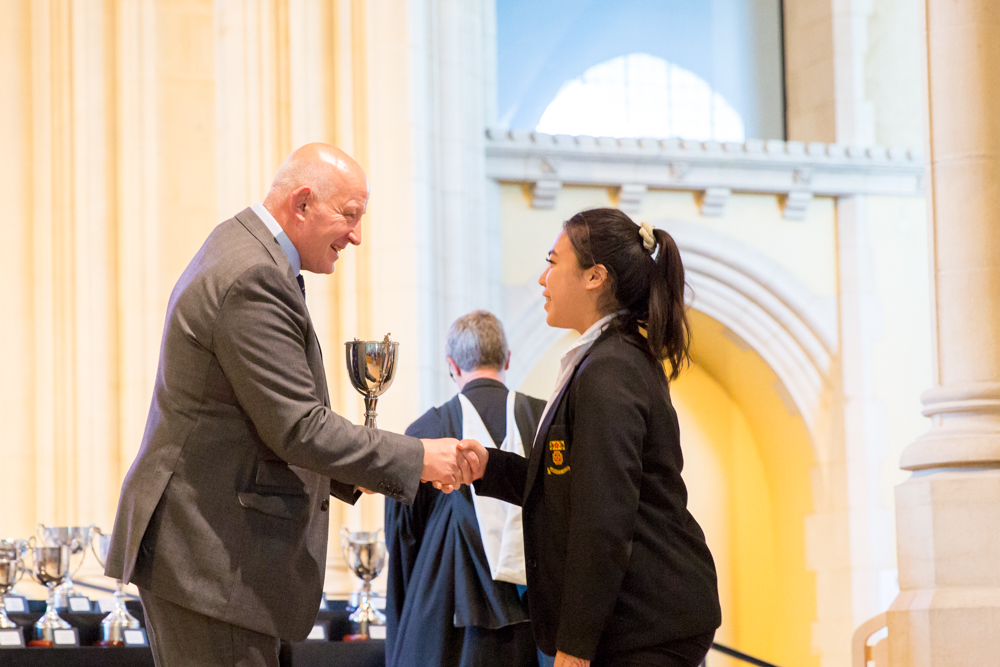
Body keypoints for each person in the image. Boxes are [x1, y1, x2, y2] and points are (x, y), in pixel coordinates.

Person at [104, 143, 486, 667]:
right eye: (349, 216)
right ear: (302, 202)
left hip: (217, 560)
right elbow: (299, 428)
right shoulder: (253, 275)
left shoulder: (246, 251)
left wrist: (381, 471)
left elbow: (266, 423)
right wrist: (419, 458)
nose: (356, 235)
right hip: (211, 561)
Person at [467, 208, 722, 667]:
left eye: (553, 261)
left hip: (647, 620)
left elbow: (604, 515)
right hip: (638, 619)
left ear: (595, 277)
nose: (542, 279)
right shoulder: (602, 359)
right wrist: (488, 466)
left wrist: (577, 645)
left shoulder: (612, 369)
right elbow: (568, 483)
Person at [384, 311, 548, 667]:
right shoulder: (546, 422)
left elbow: (404, 539)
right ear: (506, 359)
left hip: (447, 624)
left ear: (452, 366)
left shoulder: (426, 432)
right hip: (538, 628)